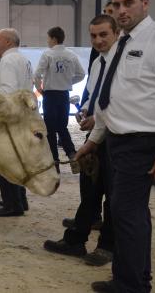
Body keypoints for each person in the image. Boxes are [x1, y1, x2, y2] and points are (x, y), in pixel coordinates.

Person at [76, 0, 155, 293]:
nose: (122, 10)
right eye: (117, 5)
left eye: (128, 3)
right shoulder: (119, 45)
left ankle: (134, 284)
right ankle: (128, 278)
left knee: (127, 211)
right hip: (117, 141)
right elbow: (113, 100)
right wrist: (95, 140)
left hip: (144, 141)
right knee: (125, 211)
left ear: (145, 3)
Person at [43, 15, 119, 267]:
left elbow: (118, 103)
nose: (98, 40)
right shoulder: (98, 62)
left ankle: (107, 246)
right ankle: (76, 239)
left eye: (103, 35)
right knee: (90, 189)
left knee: (113, 196)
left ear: (116, 33)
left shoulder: (124, 62)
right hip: (95, 132)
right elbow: (94, 94)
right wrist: (86, 110)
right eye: (94, 36)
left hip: (116, 137)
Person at [0, 28, 32, 217]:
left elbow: (8, 90)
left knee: (6, 159)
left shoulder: (7, 61)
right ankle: (20, 199)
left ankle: (12, 204)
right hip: (22, 114)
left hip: (9, 117)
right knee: (18, 158)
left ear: (8, 41)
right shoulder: (22, 59)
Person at [34, 27, 85, 172]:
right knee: (62, 127)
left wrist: (39, 89)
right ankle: (72, 155)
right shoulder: (71, 55)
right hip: (64, 95)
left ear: (54, 39)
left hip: (50, 95)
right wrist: (68, 82)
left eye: (48, 38)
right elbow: (81, 74)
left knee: (50, 129)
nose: (47, 40)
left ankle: (54, 163)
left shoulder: (47, 54)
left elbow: (37, 74)